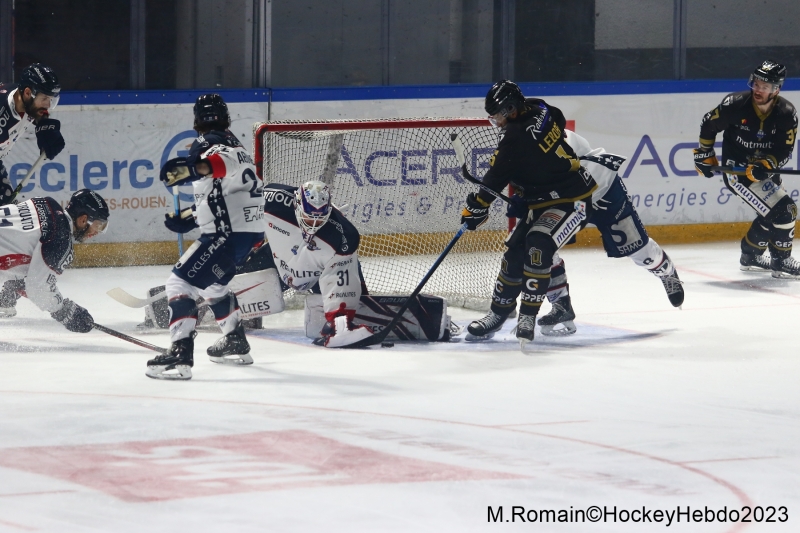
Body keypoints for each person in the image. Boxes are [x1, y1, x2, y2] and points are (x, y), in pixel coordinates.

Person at [469, 129, 684, 339]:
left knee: (636, 248)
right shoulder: (520, 152)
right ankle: (561, 304)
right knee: (540, 242)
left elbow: (561, 181)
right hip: (566, 199)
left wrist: (534, 200)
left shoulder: (549, 140)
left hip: (602, 188)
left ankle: (666, 272)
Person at [459, 80, 597, 350]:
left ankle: (527, 317)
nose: (496, 121)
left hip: (573, 199)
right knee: (514, 251)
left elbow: (496, 176)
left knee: (539, 244)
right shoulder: (539, 107)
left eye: (498, 115)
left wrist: (476, 206)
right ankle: (499, 313)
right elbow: (556, 119)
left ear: (511, 109)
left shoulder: (515, 137)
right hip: (545, 200)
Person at [146, 93, 265, 380]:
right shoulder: (238, 146)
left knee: (180, 282)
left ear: (197, 120)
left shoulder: (209, 143)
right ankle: (235, 339)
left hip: (226, 235)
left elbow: (216, 163)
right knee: (213, 288)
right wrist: (189, 216)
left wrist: (191, 168)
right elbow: (220, 195)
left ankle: (180, 350)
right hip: (247, 235)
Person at [694, 60, 800, 277]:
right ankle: (781, 260)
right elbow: (709, 124)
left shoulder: (787, 113)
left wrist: (766, 164)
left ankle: (750, 255)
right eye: (757, 83)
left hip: (766, 172)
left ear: (776, 89)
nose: (758, 89)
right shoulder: (735, 104)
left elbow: (785, 149)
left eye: (765, 86)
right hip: (737, 174)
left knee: (770, 213)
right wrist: (705, 154)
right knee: (785, 211)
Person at [261, 180, 372, 348]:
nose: (313, 224)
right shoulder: (272, 200)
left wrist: (343, 316)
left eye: (319, 219)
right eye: (308, 217)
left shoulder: (342, 234)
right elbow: (240, 203)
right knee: (230, 281)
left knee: (345, 259)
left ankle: (339, 323)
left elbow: (343, 274)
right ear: (297, 205)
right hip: (276, 259)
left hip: (316, 274)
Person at [0, 189, 107, 333]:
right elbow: (38, 288)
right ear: (83, 219)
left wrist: (17, 282)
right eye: (98, 225)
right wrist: (64, 311)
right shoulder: (60, 239)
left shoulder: (44, 202)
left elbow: (15, 241)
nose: (96, 232)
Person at [0, 63, 65, 204]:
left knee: (7, 212)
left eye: (51, 100)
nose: (48, 105)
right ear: (28, 93)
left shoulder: (24, 99)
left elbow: (37, 113)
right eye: (44, 99)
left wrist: (45, 126)